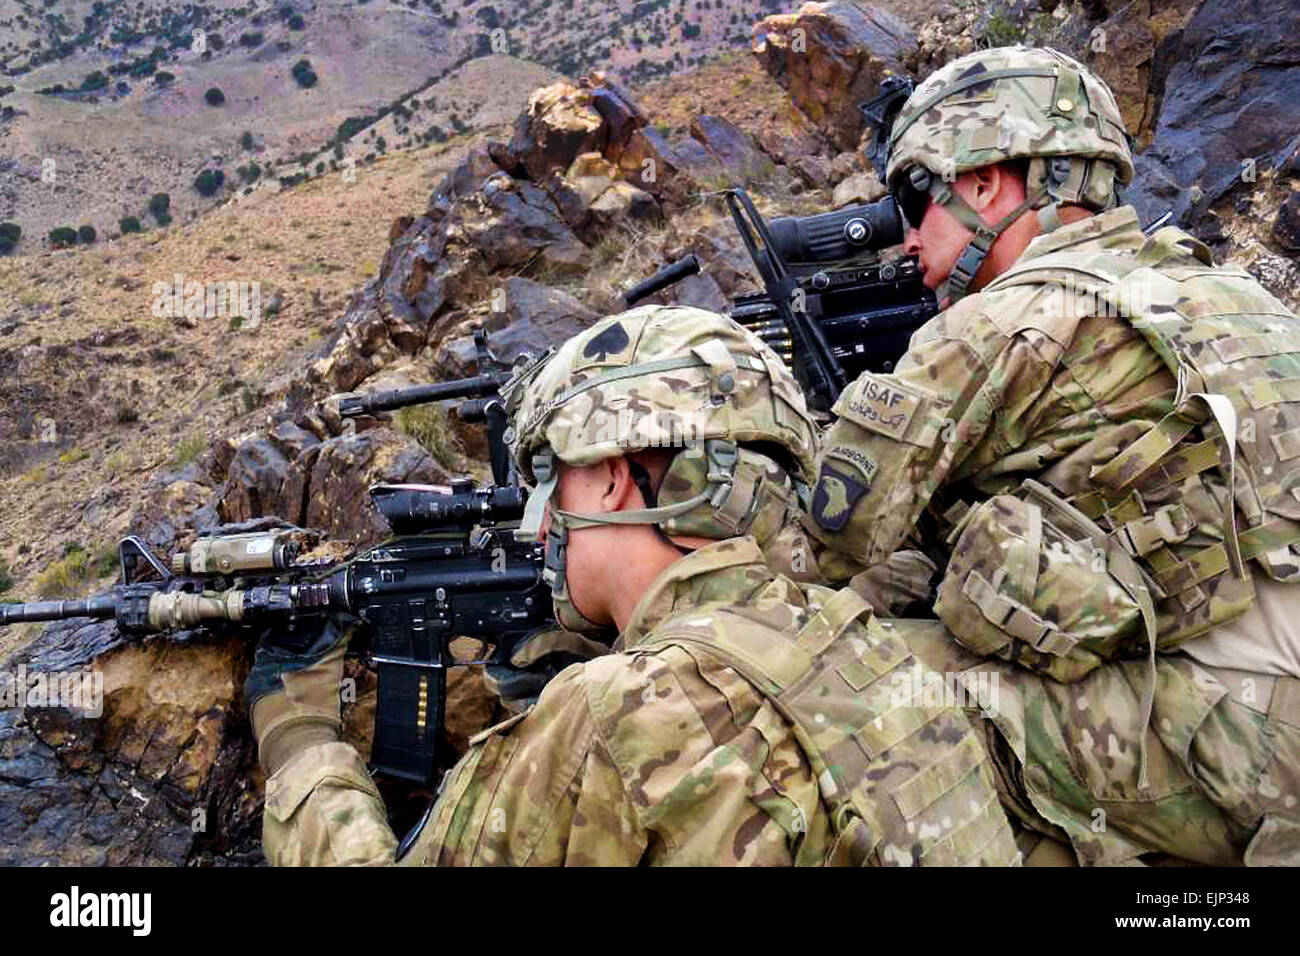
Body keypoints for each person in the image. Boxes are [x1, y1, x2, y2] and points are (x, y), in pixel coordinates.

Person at [245, 304, 1020, 866]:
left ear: (614, 479)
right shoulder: (875, 649)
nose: (540, 523)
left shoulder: (609, 716)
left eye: (549, 481)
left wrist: (300, 742)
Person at [806, 46, 1300, 864]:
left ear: (985, 183)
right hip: (1265, 698)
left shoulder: (1000, 324)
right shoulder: (1232, 290)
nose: (904, 241)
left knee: (843, 686)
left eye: (912, 200)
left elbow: (818, 547)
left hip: (1256, 743)